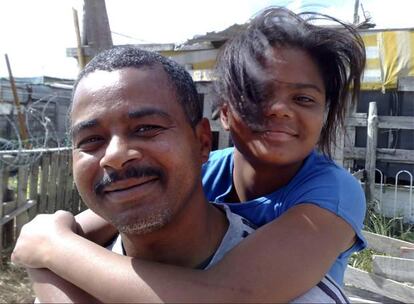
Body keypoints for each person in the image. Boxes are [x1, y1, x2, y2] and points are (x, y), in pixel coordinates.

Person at [12, 6, 366, 302]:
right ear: (223, 114)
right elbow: (70, 234)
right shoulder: (203, 170)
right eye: (258, 94)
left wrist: (50, 251)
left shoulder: (332, 192)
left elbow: (231, 295)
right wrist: (48, 242)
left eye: (303, 99)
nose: (280, 110)